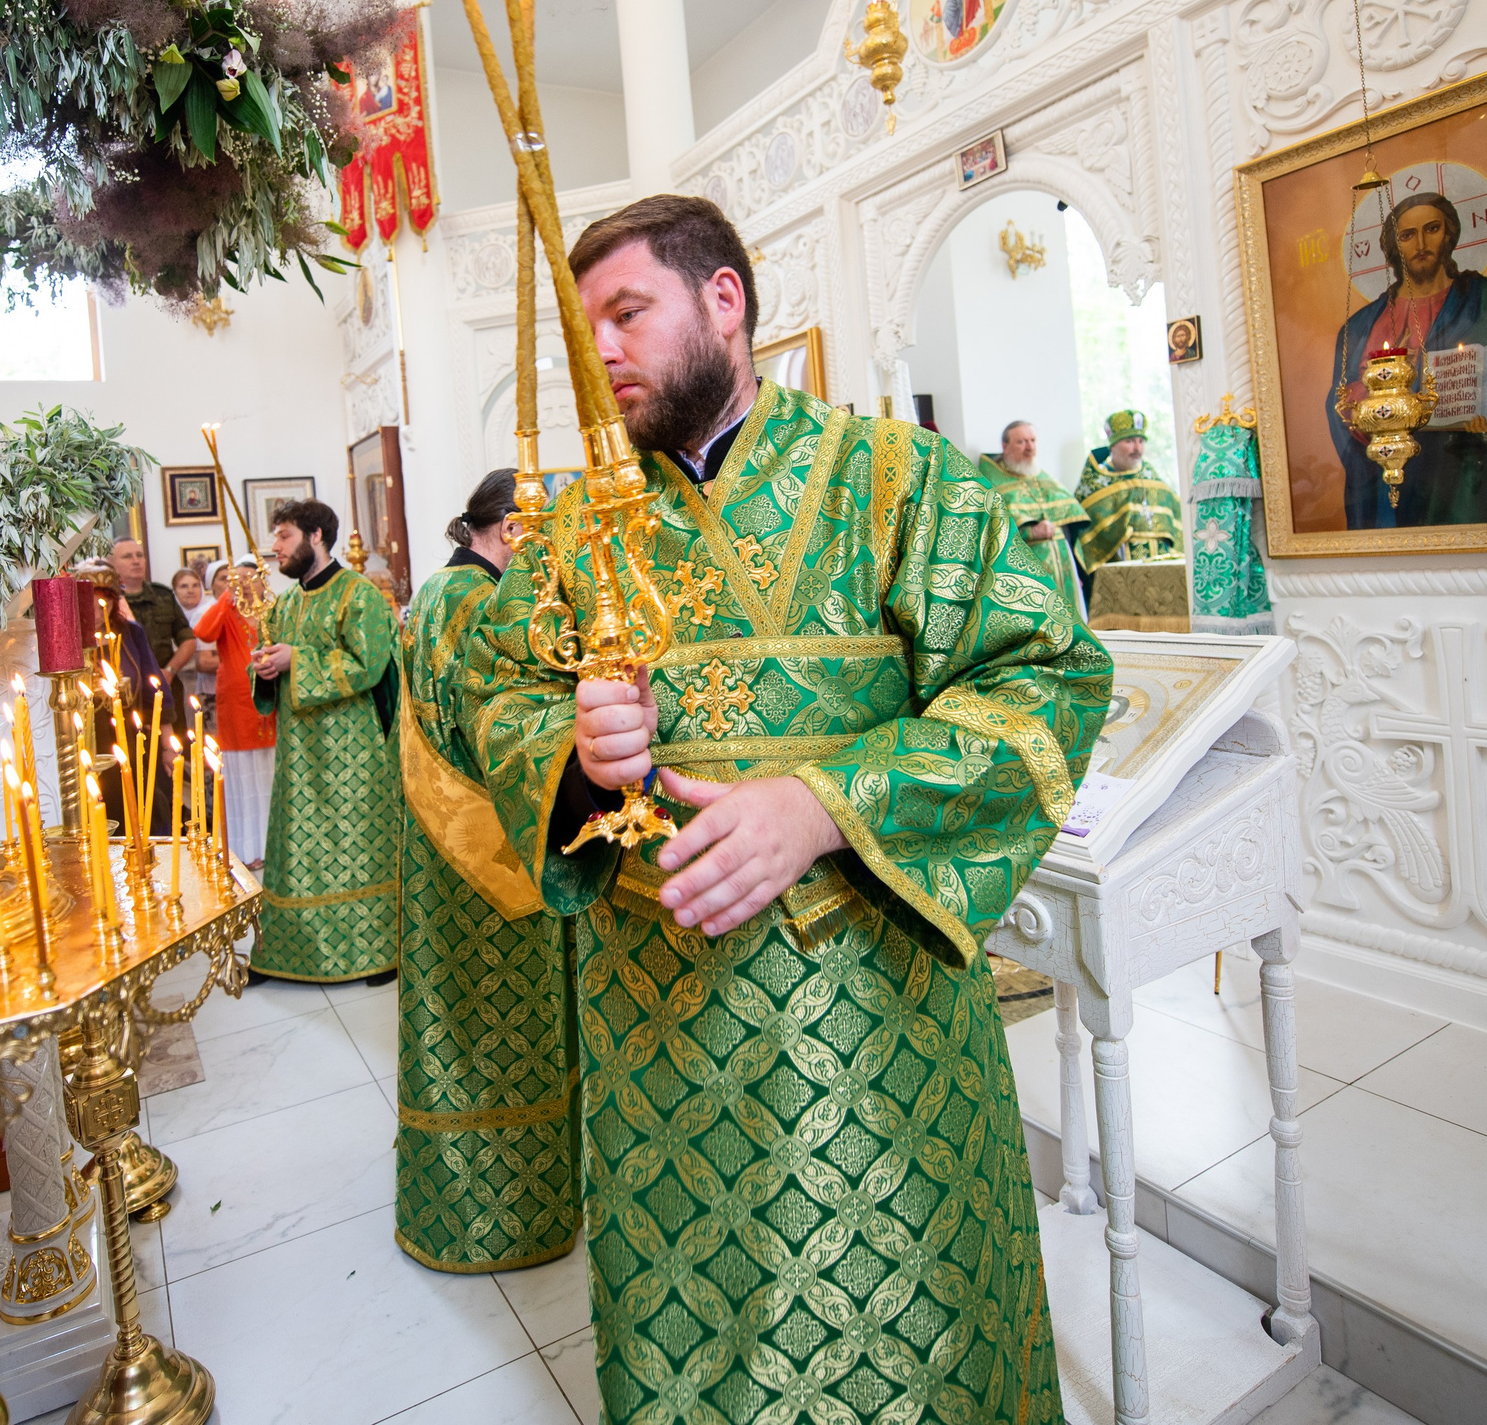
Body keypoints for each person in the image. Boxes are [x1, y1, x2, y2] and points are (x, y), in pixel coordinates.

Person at [458, 194, 1109, 1425]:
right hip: (658, 1035)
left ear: (724, 300)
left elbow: (1045, 678)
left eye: (627, 312)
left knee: (912, 1343)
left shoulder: (897, 477)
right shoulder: (573, 527)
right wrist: (573, 751)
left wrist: (824, 801)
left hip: (879, 1022)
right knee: (696, 1343)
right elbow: (490, 692)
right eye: (585, 329)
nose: (602, 352)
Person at [392, 470, 579, 1274]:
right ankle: (503, 1216)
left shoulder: (442, 591)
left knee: (462, 1020)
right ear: (512, 529)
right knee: (500, 1031)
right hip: (488, 849)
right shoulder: (475, 601)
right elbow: (498, 727)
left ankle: (465, 1205)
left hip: (447, 842)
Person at [1327, 188, 1487, 528]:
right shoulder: (1362, 325)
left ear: (1449, 234)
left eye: (1432, 229)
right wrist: (1368, 411)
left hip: (1471, 487)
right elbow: (1338, 404)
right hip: (1388, 491)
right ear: (1394, 246)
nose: (1421, 243)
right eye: (1407, 235)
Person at [249, 499, 402, 986]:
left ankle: (376, 951)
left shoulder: (359, 595)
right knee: (295, 848)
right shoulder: (284, 604)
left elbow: (369, 664)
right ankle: (285, 951)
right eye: (275, 537)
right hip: (298, 753)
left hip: (352, 751)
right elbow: (274, 666)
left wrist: (297, 660)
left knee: (357, 847)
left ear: (316, 536)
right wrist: (266, 667)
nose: (275, 547)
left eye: (284, 536)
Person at [194, 560, 276, 867]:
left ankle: (274, 848)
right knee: (242, 774)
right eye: (238, 579)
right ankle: (246, 850)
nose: (246, 584)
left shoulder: (272, 612)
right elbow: (203, 631)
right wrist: (229, 596)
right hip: (236, 704)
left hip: (270, 701)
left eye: (251, 578)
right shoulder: (227, 612)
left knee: (270, 771)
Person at [976, 418, 1088, 614]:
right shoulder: (993, 484)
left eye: (1032, 441)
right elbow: (991, 534)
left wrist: (1076, 569)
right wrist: (1032, 532)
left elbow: (1070, 526)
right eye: (1021, 442)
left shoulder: (1044, 478)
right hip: (1027, 578)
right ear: (1005, 446)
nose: (1029, 447)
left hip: (1065, 575)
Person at [1070, 407, 1184, 592]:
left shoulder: (1150, 475)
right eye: (1129, 441)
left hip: (1162, 571)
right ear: (1113, 446)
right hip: (1119, 575)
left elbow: (1177, 521)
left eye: (1141, 441)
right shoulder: (1095, 483)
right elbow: (1085, 535)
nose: (1137, 448)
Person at [111, 539, 195, 723]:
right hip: (128, 692)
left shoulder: (162, 595)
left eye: (139, 555)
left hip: (167, 685)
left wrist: (170, 671)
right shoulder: (110, 602)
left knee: (174, 738)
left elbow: (188, 640)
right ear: (112, 564)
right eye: (127, 556)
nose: (136, 561)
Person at [170, 563, 218, 705]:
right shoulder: (169, 620)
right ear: (175, 591)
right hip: (179, 681)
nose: (190, 591)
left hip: (210, 683)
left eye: (195, 585)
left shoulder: (211, 613)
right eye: (184, 586)